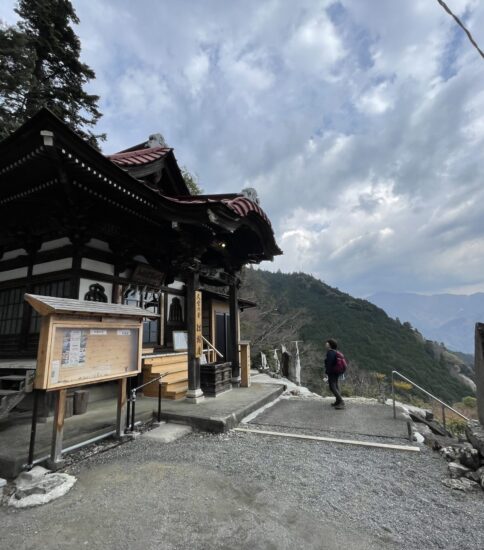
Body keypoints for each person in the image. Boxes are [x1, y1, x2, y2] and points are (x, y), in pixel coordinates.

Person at [324, 338, 345, 410]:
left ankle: (341, 402)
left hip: (332, 372)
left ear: (330, 345)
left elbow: (329, 364)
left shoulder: (330, 353)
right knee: (335, 385)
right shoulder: (335, 352)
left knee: (332, 387)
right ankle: (338, 401)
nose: (326, 344)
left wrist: (327, 373)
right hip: (337, 371)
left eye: (327, 343)